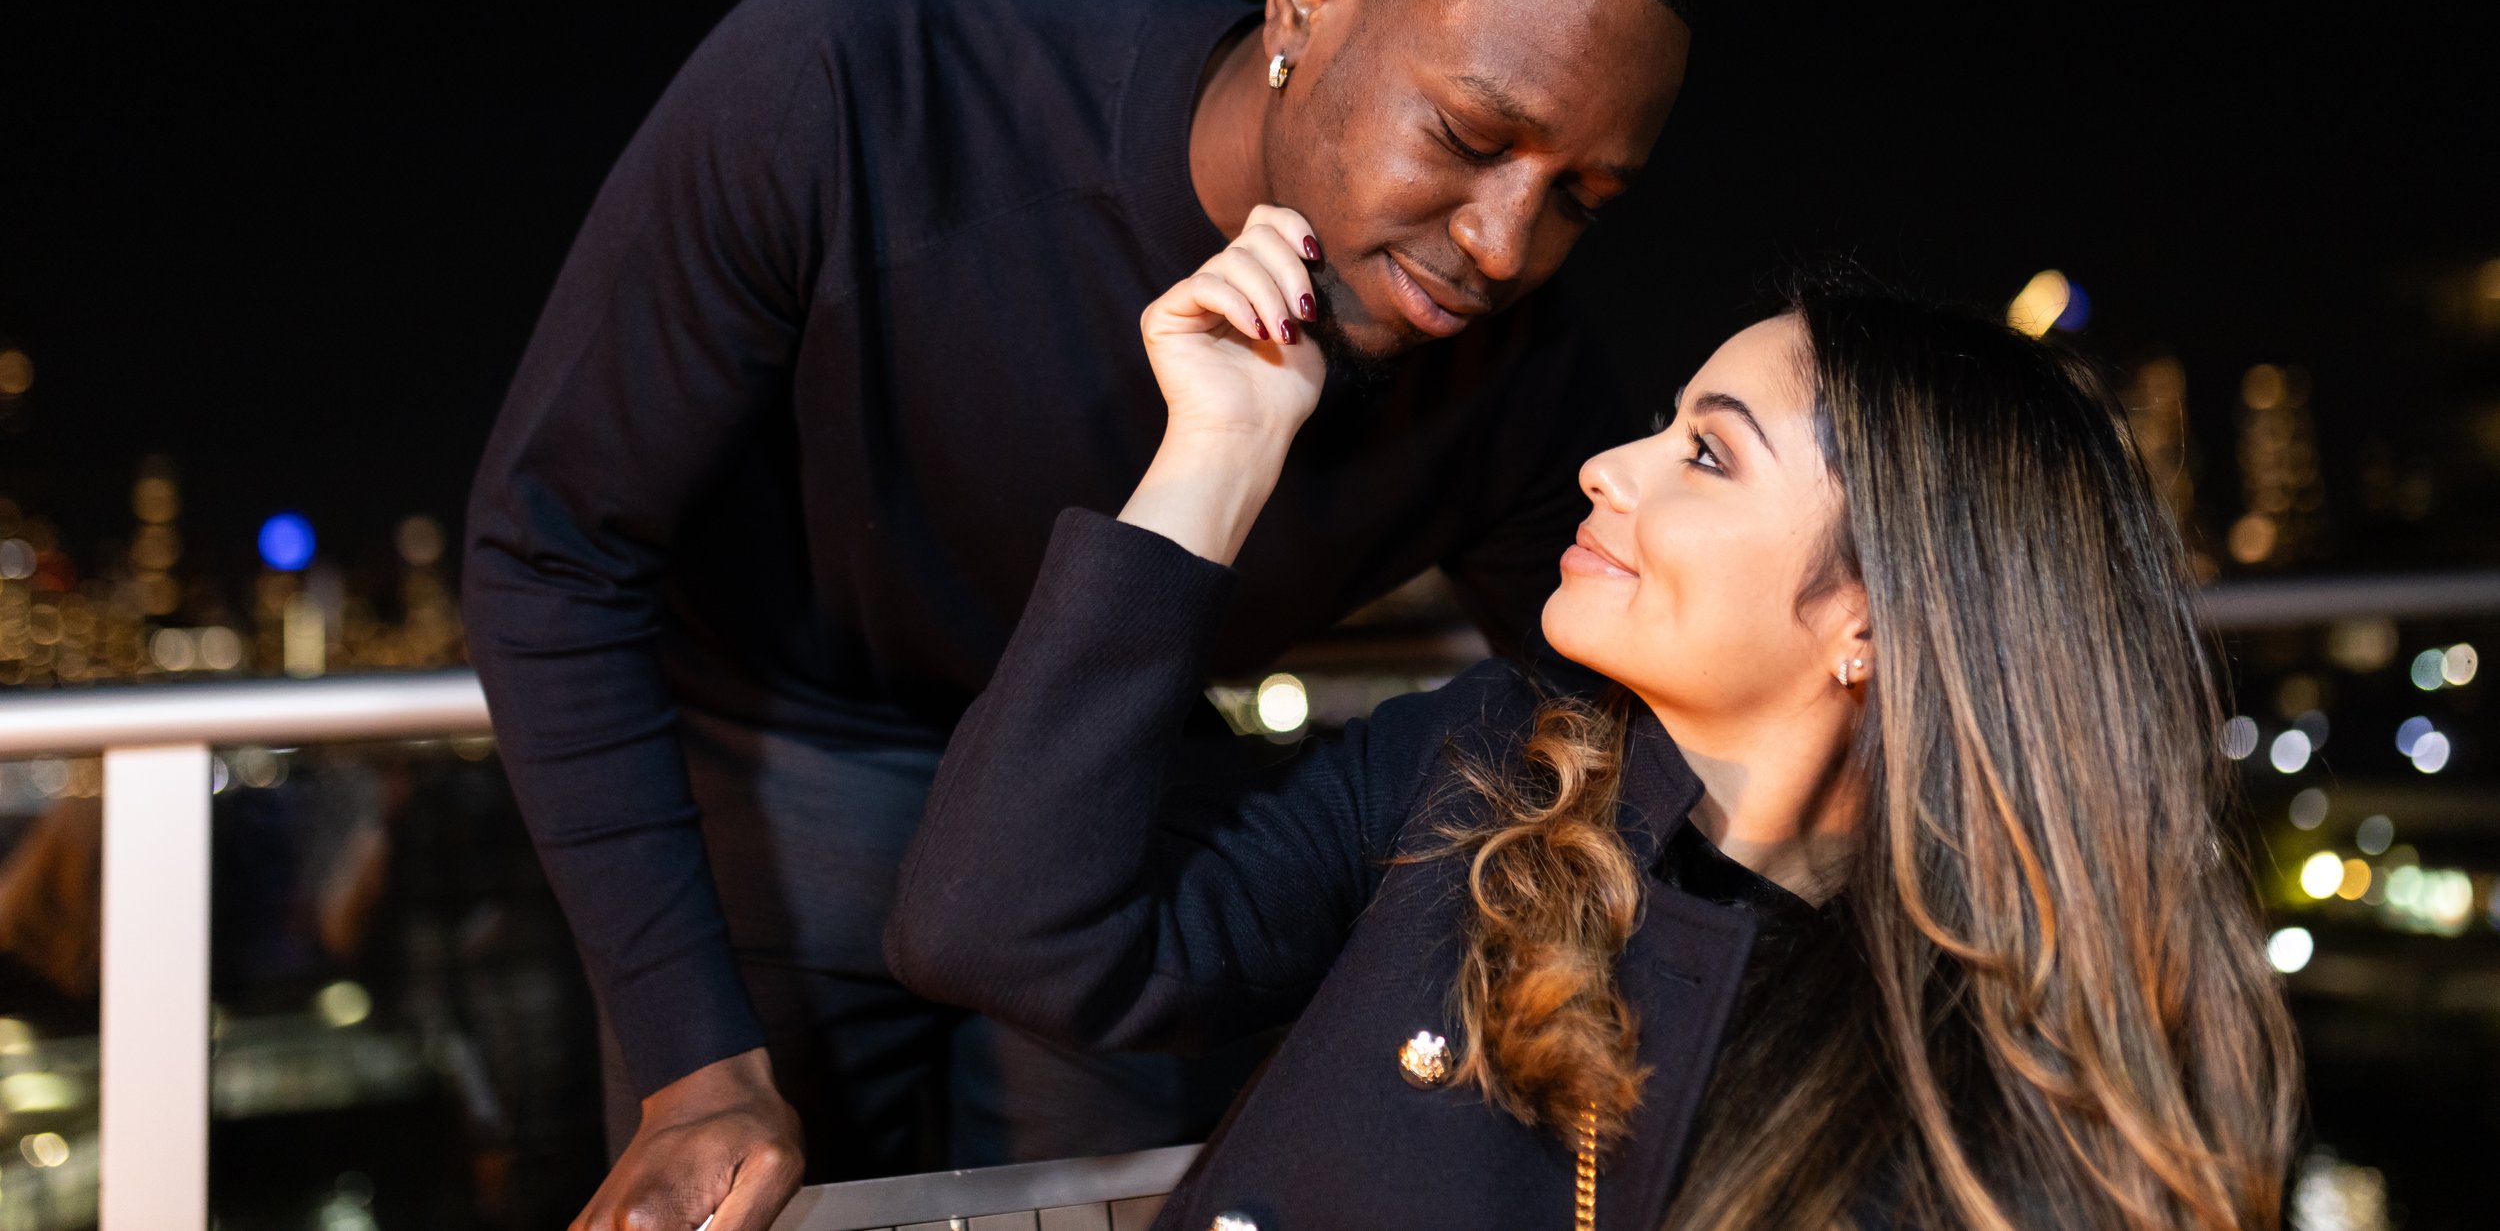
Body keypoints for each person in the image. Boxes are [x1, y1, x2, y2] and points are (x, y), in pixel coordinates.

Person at [462, 0, 1693, 1229]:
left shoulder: (1516, 373)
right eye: (1474, 137)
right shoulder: (861, 74)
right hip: (768, 798)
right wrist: (690, 1064)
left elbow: (1641, 704)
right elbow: (547, 551)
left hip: (1118, 823)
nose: (1505, 245)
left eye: (1582, 201)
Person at [889, 238, 2303, 1231]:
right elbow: (998, 927)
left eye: (1706, 452)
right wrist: (1216, 452)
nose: (1605, 469)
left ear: (1874, 618)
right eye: (1662, 424)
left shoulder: (1969, 1114)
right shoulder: (1489, 763)